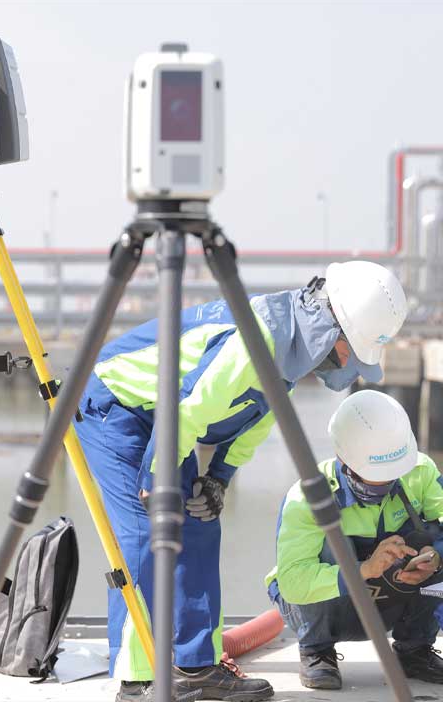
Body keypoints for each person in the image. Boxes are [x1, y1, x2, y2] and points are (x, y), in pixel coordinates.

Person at [76, 260, 407, 702]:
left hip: (166, 419)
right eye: (352, 349)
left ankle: (195, 666)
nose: (349, 361)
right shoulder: (258, 341)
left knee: (198, 525)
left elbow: (252, 422)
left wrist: (218, 478)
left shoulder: (287, 353)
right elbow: (189, 408)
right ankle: (140, 680)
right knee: (146, 534)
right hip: (117, 406)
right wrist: (157, 476)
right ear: (330, 328)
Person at [266, 389, 443, 690]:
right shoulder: (309, 496)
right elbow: (293, 582)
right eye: (375, 475)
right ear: (343, 458)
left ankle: (415, 649)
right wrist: (362, 569)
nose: (385, 483)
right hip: (329, 608)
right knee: (334, 542)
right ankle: (317, 650)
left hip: (390, 601)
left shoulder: (420, 471)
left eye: (392, 475)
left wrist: (434, 554)